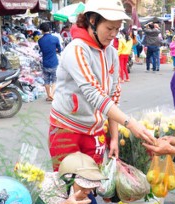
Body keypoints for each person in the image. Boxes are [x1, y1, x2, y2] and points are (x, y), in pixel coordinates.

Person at [49, 0, 155, 170]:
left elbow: (113, 95)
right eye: (109, 28)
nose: (113, 34)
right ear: (92, 21)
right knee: (68, 183)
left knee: (92, 183)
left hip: (96, 130)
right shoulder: (76, 49)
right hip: (67, 127)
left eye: (117, 29)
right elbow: (94, 93)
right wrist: (131, 124)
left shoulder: (111, 52)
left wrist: (114, 137)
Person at [38, 22, 61, 102]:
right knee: (55, 79)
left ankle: (49, 96)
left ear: (42, 30)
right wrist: (55, 49)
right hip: (54, 62)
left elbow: (41, 50)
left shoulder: (40, 40)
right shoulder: (55, 39)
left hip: (45, 63)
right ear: (50, 29)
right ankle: (52, 94)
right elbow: (59, 49)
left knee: (46, 80)